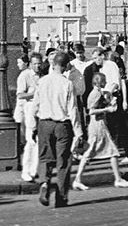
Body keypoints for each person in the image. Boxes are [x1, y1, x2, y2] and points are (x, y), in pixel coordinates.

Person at [32, 52, 83, 208]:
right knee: (63, 161)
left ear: (53, 64)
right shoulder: (67, 84)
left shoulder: (42, 81)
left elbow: (35, 105)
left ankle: (44, 183)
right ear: (66, 66)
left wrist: (34, 126)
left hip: (44, 123)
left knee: (45, 157)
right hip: (62, 126)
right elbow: (73, 109)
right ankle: (61, 196)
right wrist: (78, 132)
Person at [71, 73, 128, 191]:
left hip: (99, 125)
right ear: (100, 82)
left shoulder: (98, 92)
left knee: (107, 151)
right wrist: (107, 109)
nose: (106, 82)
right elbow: (91, 111)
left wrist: (109, 102)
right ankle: (117, 179)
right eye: (104, 81)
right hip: (97, 126)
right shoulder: (95, 94)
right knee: (109, 151)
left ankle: (79, 179)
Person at [106, 50, 128, 162]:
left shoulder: (118, 69)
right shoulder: (109, 68)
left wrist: (124, 100)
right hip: (110, 98)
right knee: (114, 126)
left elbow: (123, 85)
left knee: (119, 126)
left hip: (115, 98)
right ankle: (115, 150)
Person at [16, 53, 43, 182]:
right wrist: (34, 94)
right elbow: (20, 95)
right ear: (30, 64)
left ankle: (34, 169)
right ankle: (26, 171)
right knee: (31, 140)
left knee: (39, 140)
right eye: (35, 64)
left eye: (39, 63)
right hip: (30, 109)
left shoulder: (43, 76)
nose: (37, 66)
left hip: (41, 110)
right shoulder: (25, 75)